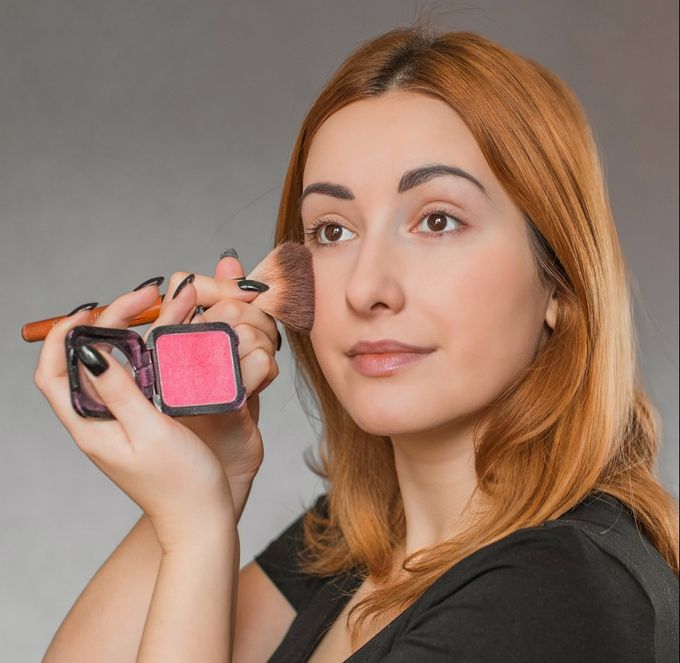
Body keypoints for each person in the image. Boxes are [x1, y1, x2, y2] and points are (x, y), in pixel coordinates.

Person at [37, 27, 678, 663]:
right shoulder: (351, 542)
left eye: (437, 221)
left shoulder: (560, 597)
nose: (366, 288)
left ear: (558, 281)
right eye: (333, 230)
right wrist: (213, 472)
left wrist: (199, 533)